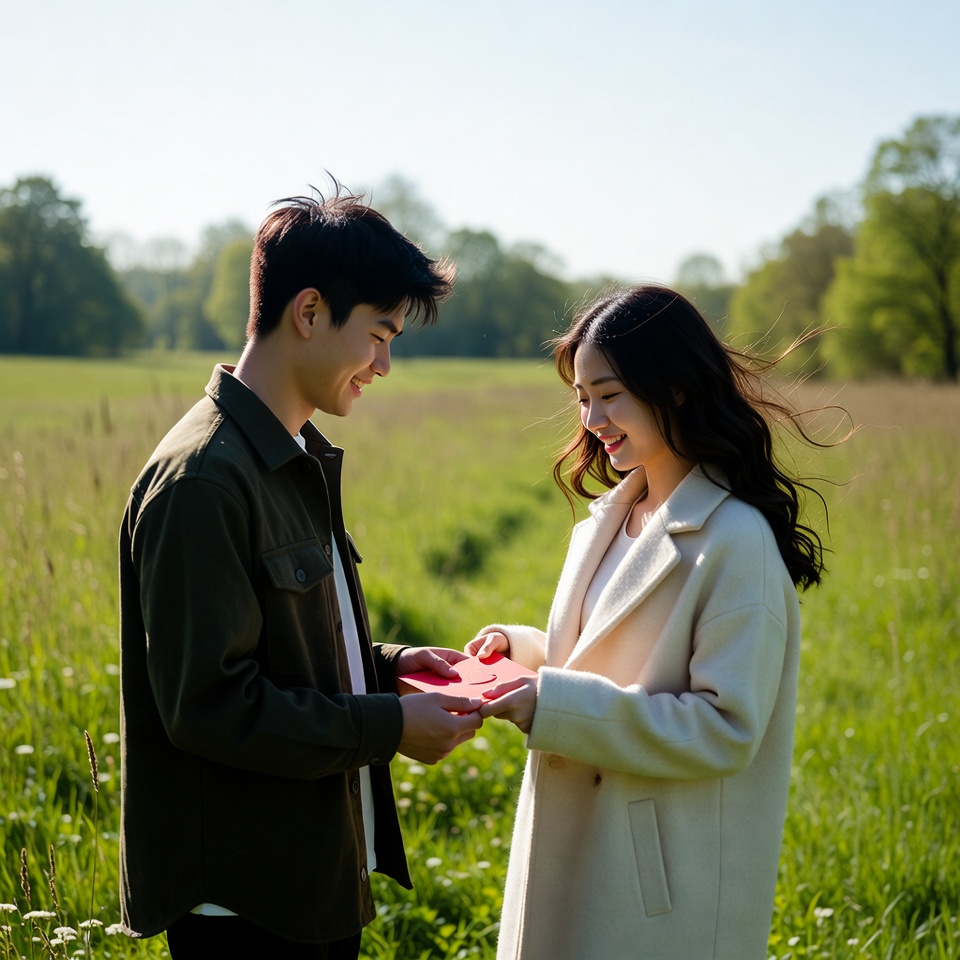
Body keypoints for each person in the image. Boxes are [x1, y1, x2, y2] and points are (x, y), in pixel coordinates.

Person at [118, 186, 483, 959]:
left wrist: (387, 669)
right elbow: (210, 706)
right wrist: (388, 727)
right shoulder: (204, 480)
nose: (384, 365)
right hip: (245, 908)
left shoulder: (288, 455)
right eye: (378, 335)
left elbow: (281, 649)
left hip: (308, 879)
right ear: (310, 312)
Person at [468, 285, 828, 960]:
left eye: (610, 394)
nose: (592, 418)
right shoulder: (609, 520)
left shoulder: (736, 541)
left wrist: (550, 703)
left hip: (654, 892)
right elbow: (606, 663)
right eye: (582, 397)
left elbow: (724, 728)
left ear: (677, 388)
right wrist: (520, 654)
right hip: (573, 850)